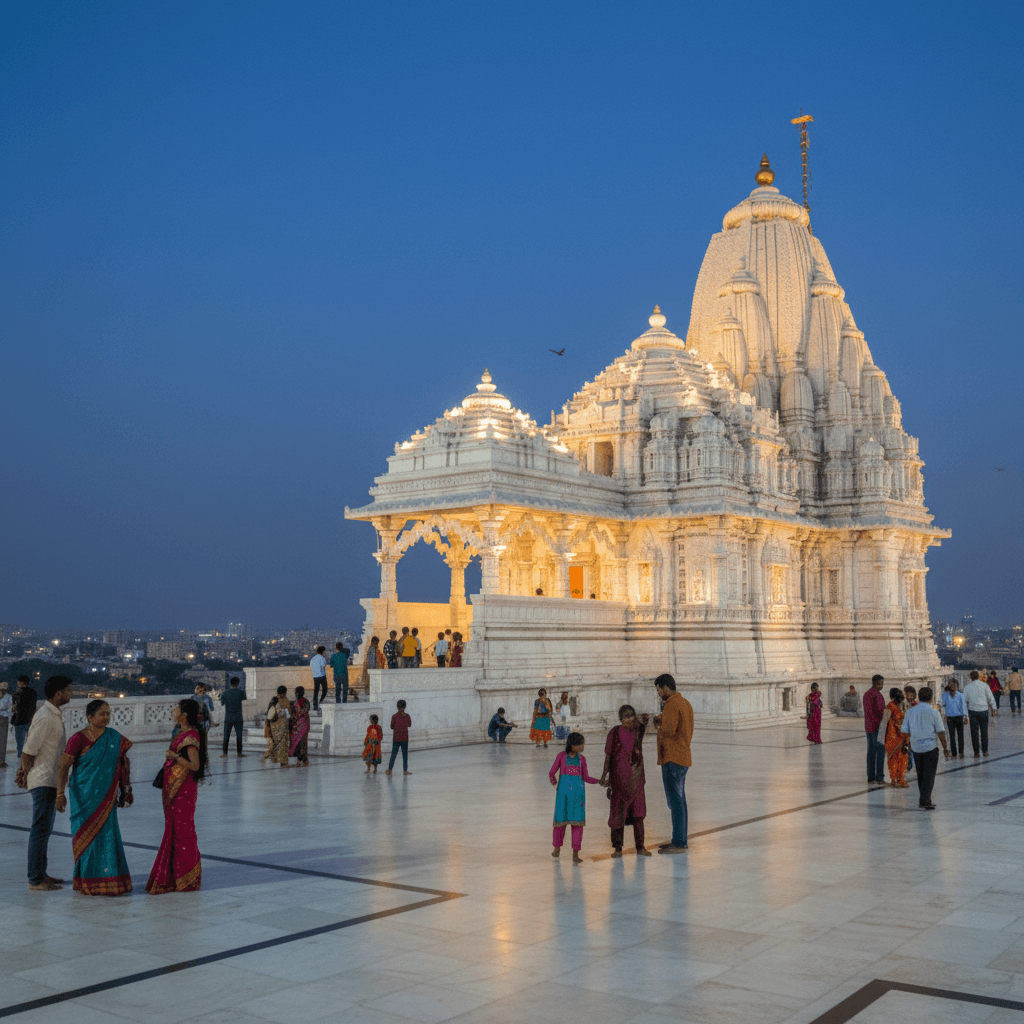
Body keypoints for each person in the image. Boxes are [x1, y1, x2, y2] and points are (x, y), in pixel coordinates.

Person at [57, 699, 133, 895]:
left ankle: (110, 878)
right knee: (85, 835)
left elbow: (123, 762)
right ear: (90, 717)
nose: (106, 717)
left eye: (108, 713)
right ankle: (87, 879)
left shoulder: (114, 737)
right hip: (83, 795)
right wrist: (59, 793)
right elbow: (64, 767)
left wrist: (126, 789)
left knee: (107, 835)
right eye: (102, 713)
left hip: (106, 796)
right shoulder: (78, 739)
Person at [15, 676, 72, 891]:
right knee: (40, 829)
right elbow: (28, 751)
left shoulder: (53, 715)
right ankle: (35, 879)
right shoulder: (46, 717)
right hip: (43, 779)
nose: (69, 694)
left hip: (50, 779)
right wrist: (26, 775)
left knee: (44, 829)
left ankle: (41, 873)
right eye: (67, 690)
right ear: (58, 693)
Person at [146, 698, 207, 893]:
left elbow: (195, 766)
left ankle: (186, 877)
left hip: (184, 790)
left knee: (183, 832)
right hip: (173, 789)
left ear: (184, 715)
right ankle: (174, 875)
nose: (173, 711)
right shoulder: (181, 732)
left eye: (176, 709)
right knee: (173, 830)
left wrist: (175, 757)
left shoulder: (190, 736)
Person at [599, 705, 651, 857]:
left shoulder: (638, 731)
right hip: (619, 781)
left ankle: (640, 847)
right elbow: (608, 756)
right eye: (626, 716)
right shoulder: (614, 732)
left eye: (632, 715)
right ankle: (617, 848)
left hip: (637, 780)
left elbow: (645, 720)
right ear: (620, 719)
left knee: (638, 814)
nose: (630, 719)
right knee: (618, 814)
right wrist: (604, 775)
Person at [654, 673, 693, 854]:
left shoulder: (671, 704)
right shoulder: (685, 703)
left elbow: (668, 731)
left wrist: (658, 726)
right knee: (680, 800)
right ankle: (680, 839)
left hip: (673, 757)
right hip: (683, 756)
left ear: (665, 687)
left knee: (675, 801)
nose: (659, 694)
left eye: (659, 690)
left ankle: (679, 842)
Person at [549, 732, 600, 864]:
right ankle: (556, 848)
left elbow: (586, 777)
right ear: (572, 745)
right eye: (580, 744)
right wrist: (556, 785)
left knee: (578, 826)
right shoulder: (561, 756)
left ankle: (575, 853)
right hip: (563, 797)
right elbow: (551, 773)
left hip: (578, 797)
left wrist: (599, 781)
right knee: (560, 824)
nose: (583, 747)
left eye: (583, 744)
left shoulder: (582, 759)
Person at [900, 686, 950, 810]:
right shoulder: (934, 712)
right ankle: (925, 800)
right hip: (930, 747)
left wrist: (906, 745)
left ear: (918, 697)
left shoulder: (910, 712)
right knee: (930, 775)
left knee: (921, 774)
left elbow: (904, 730)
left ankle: (923, 799)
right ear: (931, 698)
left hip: (916, 748)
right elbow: (941, 732)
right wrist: (945, 748)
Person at [877, 688, 910, 788]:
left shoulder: (902, 706)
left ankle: (900, 779)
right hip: (893, 738)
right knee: (895, 760)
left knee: (901, 759)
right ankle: (895, 779)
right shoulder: (889, 708)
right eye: (899, 695)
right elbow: (884, 724)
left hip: (902, 738)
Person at [964, 669, 997, 757]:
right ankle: (985, 751)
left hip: (973, 711)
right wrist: (994, 707)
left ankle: (976, 752)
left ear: (971, 677)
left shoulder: (967, 687)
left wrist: (965, 715)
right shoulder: (984, 685)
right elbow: (990, 697)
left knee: (974, 733)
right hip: (983, 711)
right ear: (978, 677)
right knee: (984, 731)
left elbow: (964, 702)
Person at [863, 675, 887, 784]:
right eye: (880, 683)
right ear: (876, 683)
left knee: (871, 752)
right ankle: (879, 776)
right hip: (877, 726)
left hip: (868, 727)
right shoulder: (877, 695)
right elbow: (880, 711)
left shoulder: (866, 694)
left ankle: (870, 777)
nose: (881, 686)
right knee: (880, 752)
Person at [219, 677, 248, 758]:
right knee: (239, 736)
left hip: (228, 717)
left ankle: (225, 753)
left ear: (230, 683)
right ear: (238, 683)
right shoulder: (241, 692)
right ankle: (239, 753)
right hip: (238, 717)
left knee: (226, 736)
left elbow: (221, 703)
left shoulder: (225, 693)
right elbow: (245, 703)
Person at [12, 675, 38, 759]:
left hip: (19, 720)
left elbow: (15, 706)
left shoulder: (18, 693)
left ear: (21, 682)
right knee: (31, 741)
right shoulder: (33, 692)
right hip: (30, 719)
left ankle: (20, 759)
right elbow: (33, 706)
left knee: (20, 743)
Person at [265, 686, 291, 768]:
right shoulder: (275, 700)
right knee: (279, 744)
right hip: (277, 726)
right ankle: (279, 761)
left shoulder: (285, 700)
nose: (282, 695)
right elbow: (270, 713)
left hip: (282, 726)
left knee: (283, 744)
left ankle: (283, 762)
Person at [941, 679, 966, 759]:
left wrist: (965, 717)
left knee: (960, 736)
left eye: (954, 685)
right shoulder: (945, 695)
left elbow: (964, 707)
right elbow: (943, 705)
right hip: (950, 718)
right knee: (951, 736)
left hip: (959, 717)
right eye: (951, 685)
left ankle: (961, 752)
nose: (953, 687)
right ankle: (954, 752)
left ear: (957, 686)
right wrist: (944, 714)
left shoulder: (960, 695)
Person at [385, 700, 412, 776]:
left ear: (397, 707)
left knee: (393, 754)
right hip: (404, 738)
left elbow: (392, 726)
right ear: (405, 707)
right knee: (405, 755)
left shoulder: (394, 716)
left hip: (396, 738)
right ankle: (405, 771)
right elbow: (409, 725)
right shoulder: (407, 716)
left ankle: (390, 770)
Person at [289, 685, 311, 766]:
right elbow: (305, 711)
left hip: (297, 726)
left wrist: (294, 718)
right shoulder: (306, 701)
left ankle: (299, 760)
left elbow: (294, 714)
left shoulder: (295, 702)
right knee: (304, 743)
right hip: (304, 726)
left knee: (298, 743)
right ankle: (304, 760)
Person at [902, 686, 918, 775]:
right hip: (906, 731)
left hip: (914, 731)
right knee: (907, 749)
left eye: (909, 695)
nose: (907, 697)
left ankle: (911, 764)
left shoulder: (916, 705)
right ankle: (908, 765)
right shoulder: (903, 705)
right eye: (906, 695)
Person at [309, 646, 328, 712]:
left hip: (315, 676)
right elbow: (323, 666)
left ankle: (315, 706)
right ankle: (321, 700)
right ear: (323, 651)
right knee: (325, 689)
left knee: (316, 692)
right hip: (322, 675)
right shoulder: (322, 658)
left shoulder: (313, 658)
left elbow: (311, 666)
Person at [0, 681, 10, 768]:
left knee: (3, 740)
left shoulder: (9, 697)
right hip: (3, 717)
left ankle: (2, 760)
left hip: (4, 719)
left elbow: (10, 709)